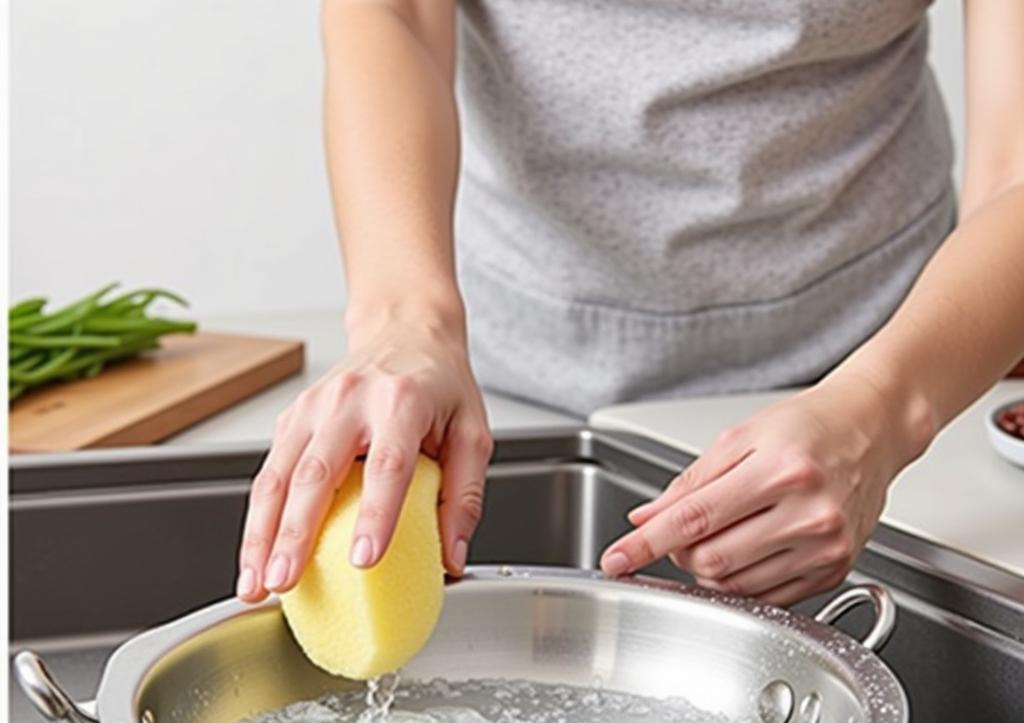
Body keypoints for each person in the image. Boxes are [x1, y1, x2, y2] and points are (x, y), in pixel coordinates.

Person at [236, 0, 1024, 609]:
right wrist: (405, 323)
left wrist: (882, 413)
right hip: (496, 376)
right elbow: (394, 12)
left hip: (885, 367)